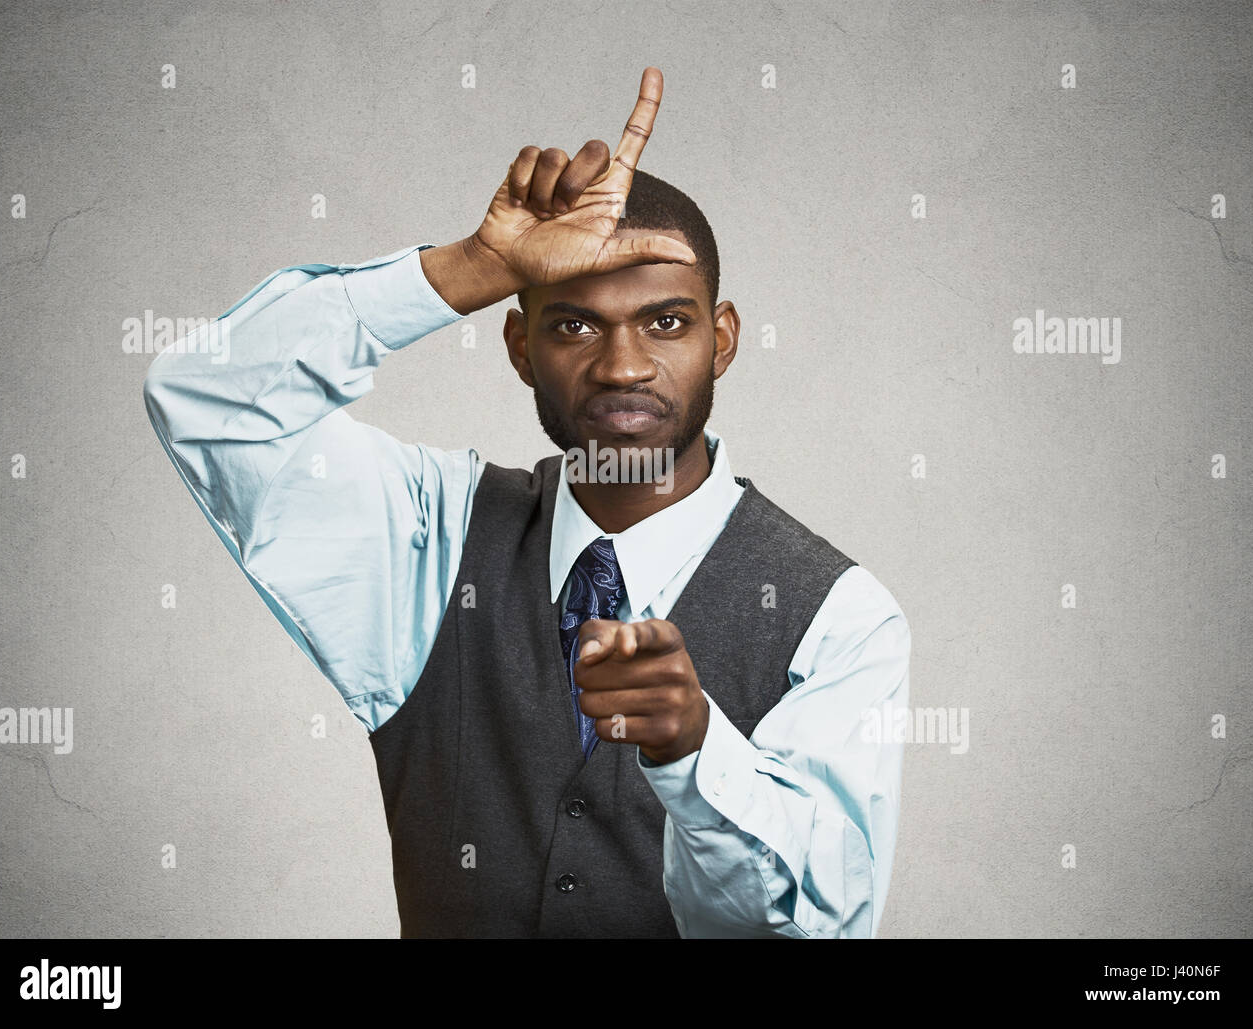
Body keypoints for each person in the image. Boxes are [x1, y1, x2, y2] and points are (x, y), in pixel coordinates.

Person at [143, 66, 910, 938]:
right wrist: (469, 268)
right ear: (517, 344)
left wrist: (699, 755)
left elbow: (822, 931)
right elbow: (204, 395)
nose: (623, 366)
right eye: (575, 324)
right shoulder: (429, 538)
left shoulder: (840, 618)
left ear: (722, 338)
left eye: (666, 322)